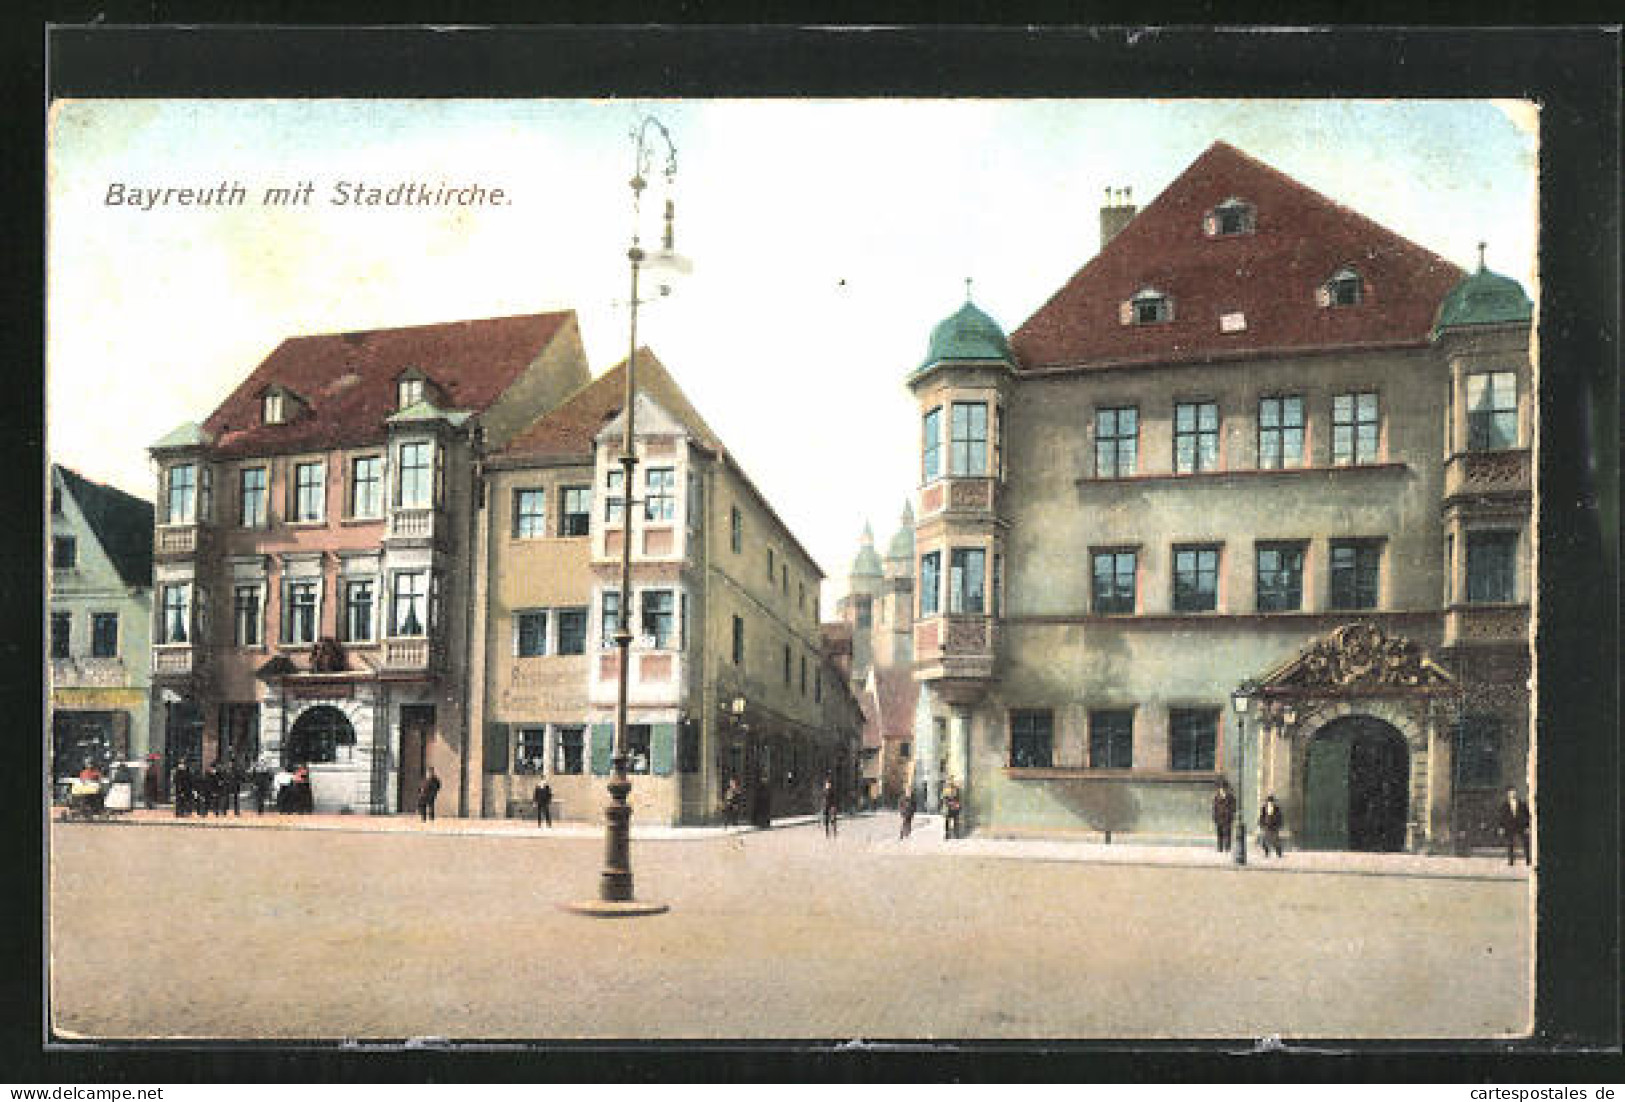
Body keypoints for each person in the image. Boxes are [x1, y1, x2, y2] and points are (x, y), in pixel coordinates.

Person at [1496, 787, 1532, 865]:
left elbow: (1527, 815)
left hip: (1521, 826)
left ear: (1516, 793)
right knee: (1510, 843)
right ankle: (1511, 861)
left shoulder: (1522, 804)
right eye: (1511, 792)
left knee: (1526, 842)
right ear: (1508, 794)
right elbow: (1501, 817)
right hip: (1509, 826)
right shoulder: (1504, 805)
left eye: (1514, 792)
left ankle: (1528, 860)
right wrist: (1501, 827)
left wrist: (1527, 827)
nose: (1512, 794)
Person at [1212, 780, 1237, 853]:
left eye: (1223, 789)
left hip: (1227, 818)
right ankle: (1220, 848)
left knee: (1227, 833)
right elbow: (1214, 808)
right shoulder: (1217, 797)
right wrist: (1214, 817)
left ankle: (1227, 848)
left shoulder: (1230, 797)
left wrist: (1230, 813)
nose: (1222, 790)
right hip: (1219, 818)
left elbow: (1233, 807)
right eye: (1221, 789)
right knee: (1219, 833)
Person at [1258, 794, 1285, 858]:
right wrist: (1262, 825)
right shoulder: (1264, 808)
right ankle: (1267, 852)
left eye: (1271, 801)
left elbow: (1279, 817)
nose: (1270, 803)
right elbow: (1261, 817)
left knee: (1275, 841)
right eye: (1269, 801)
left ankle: (1279, 853)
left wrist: (1278, 826)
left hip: (1274, 827)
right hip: (1266, 827)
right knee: (1263, 842)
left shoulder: (1277, 809)